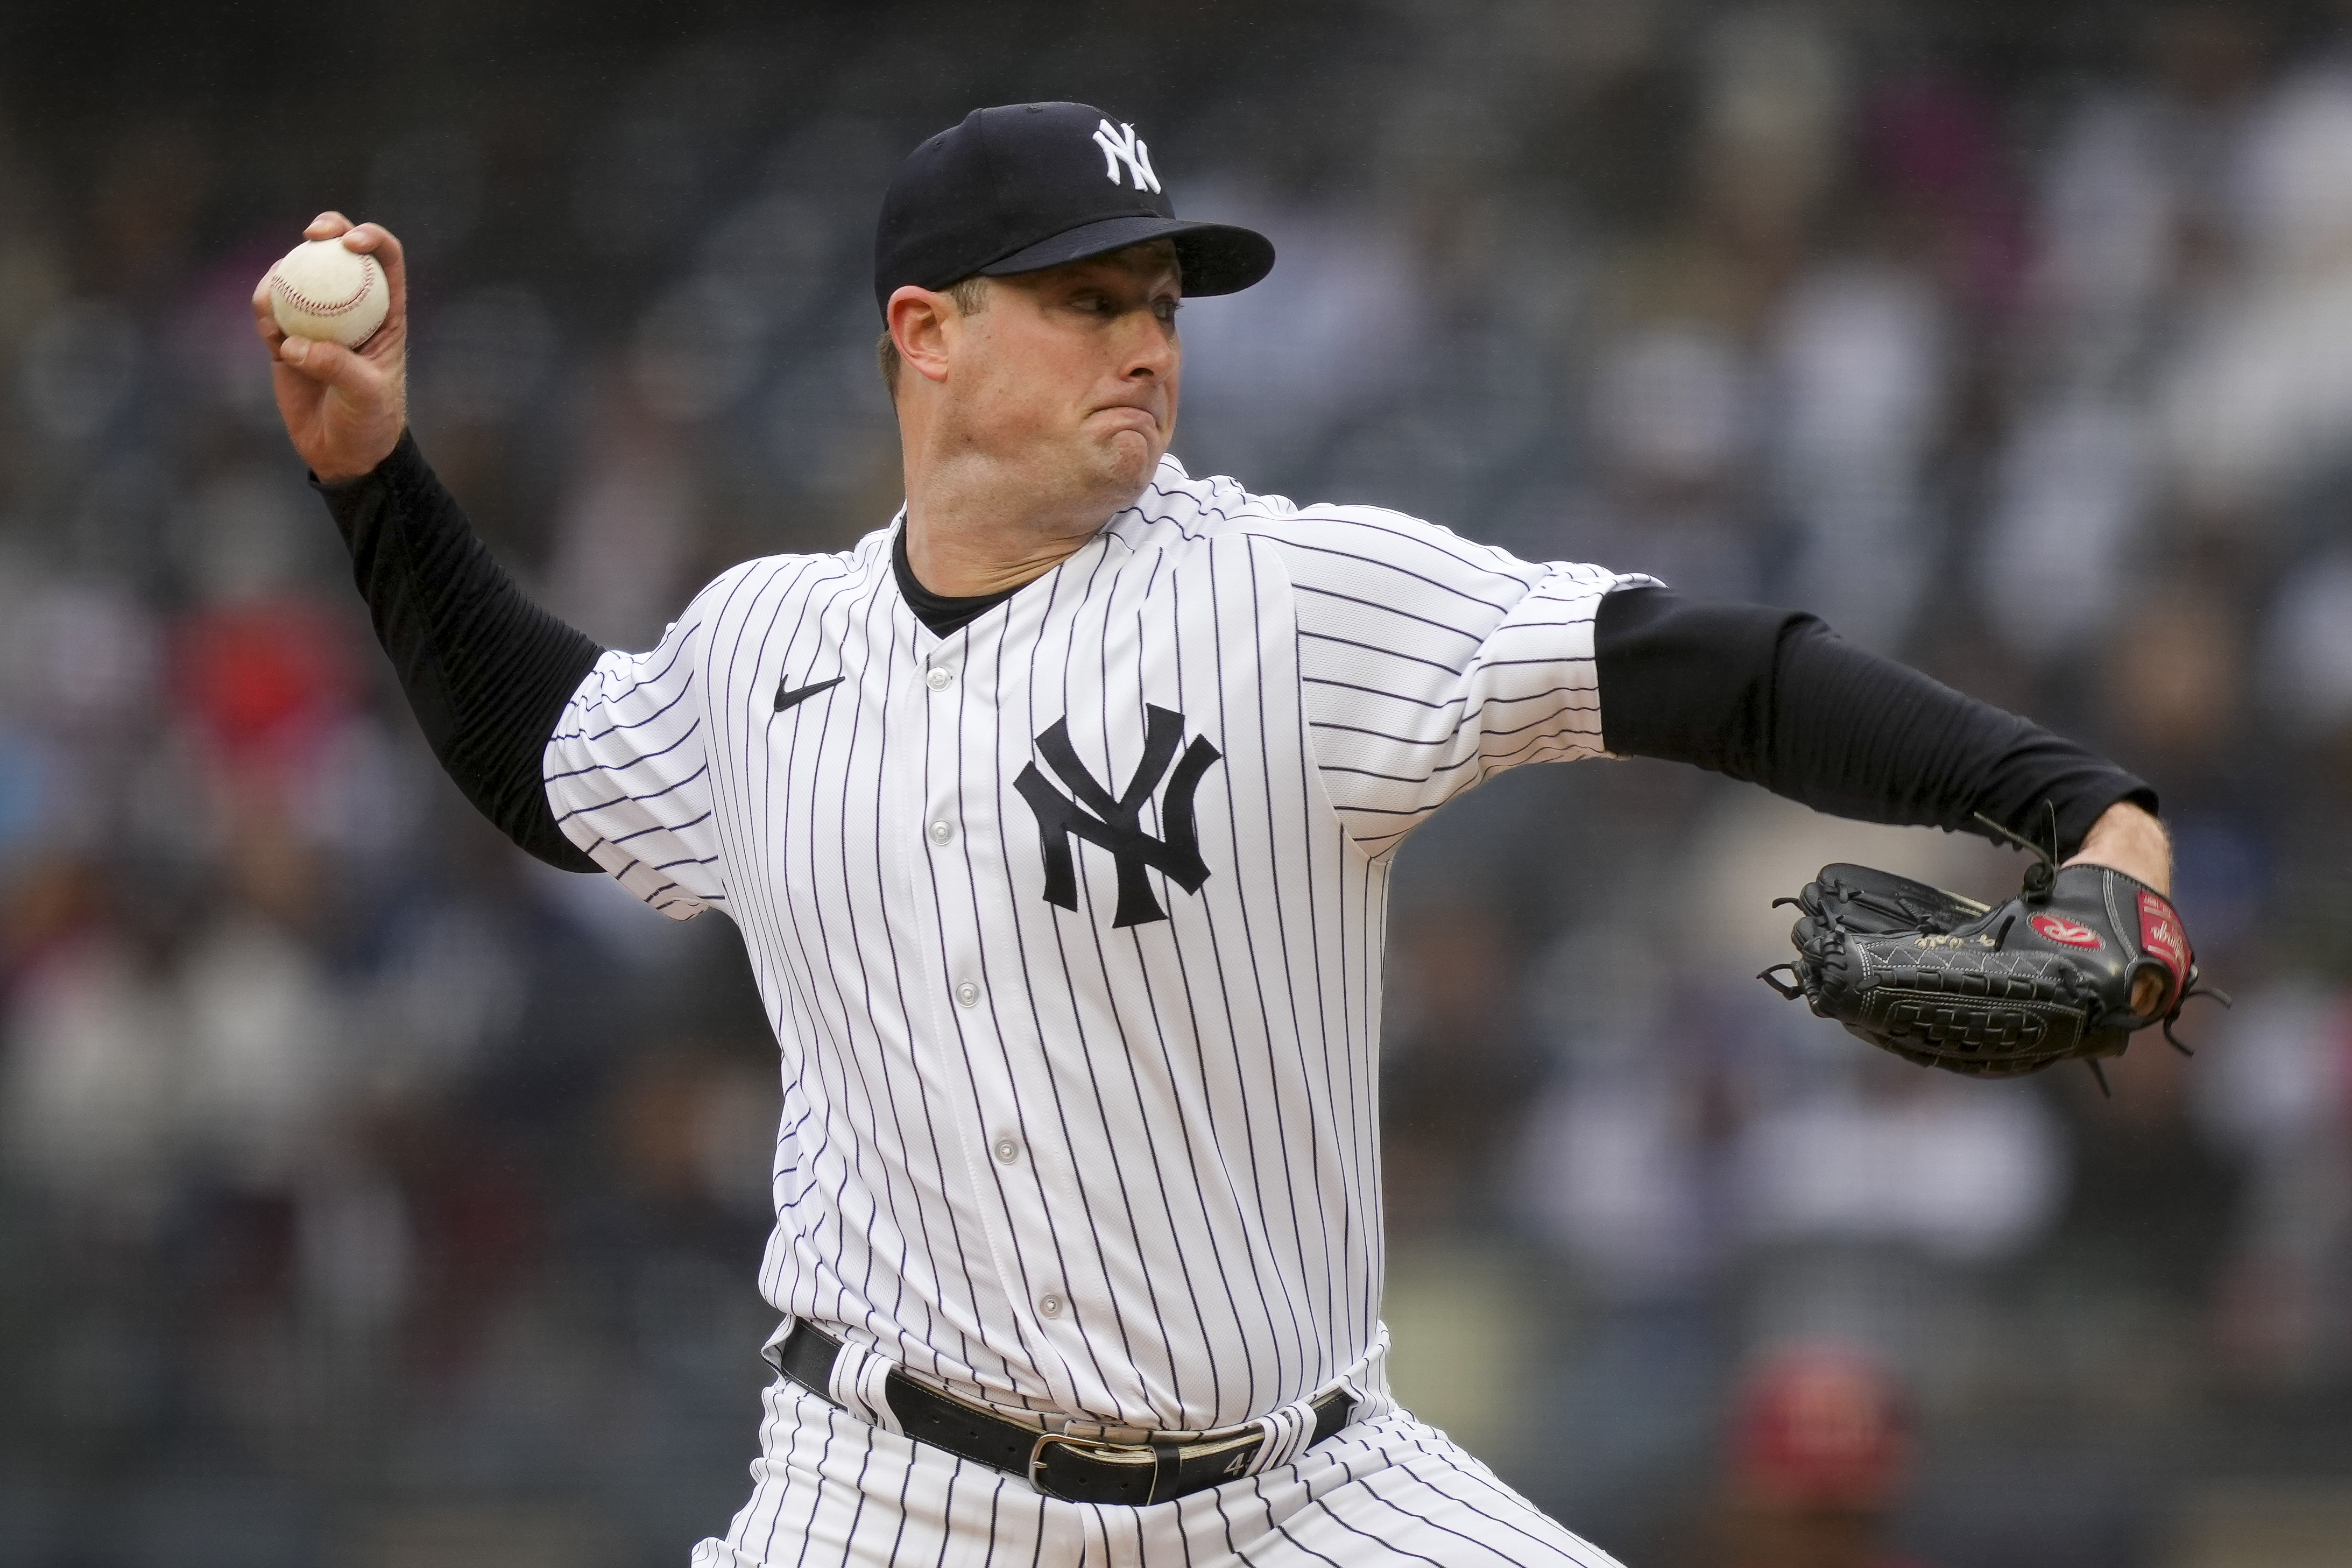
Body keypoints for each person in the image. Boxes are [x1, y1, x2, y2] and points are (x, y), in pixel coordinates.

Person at [255, 101, 2171, 1568]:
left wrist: (2074, 802)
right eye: (1085, 300)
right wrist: (371, 480)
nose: (1144, 344)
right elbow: (553, 758)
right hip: (883, 1495)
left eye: (1160, 306)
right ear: (924, 332)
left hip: (1300, 1495)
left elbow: (1701, 666)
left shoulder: (1286, 599)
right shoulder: (767, 643)